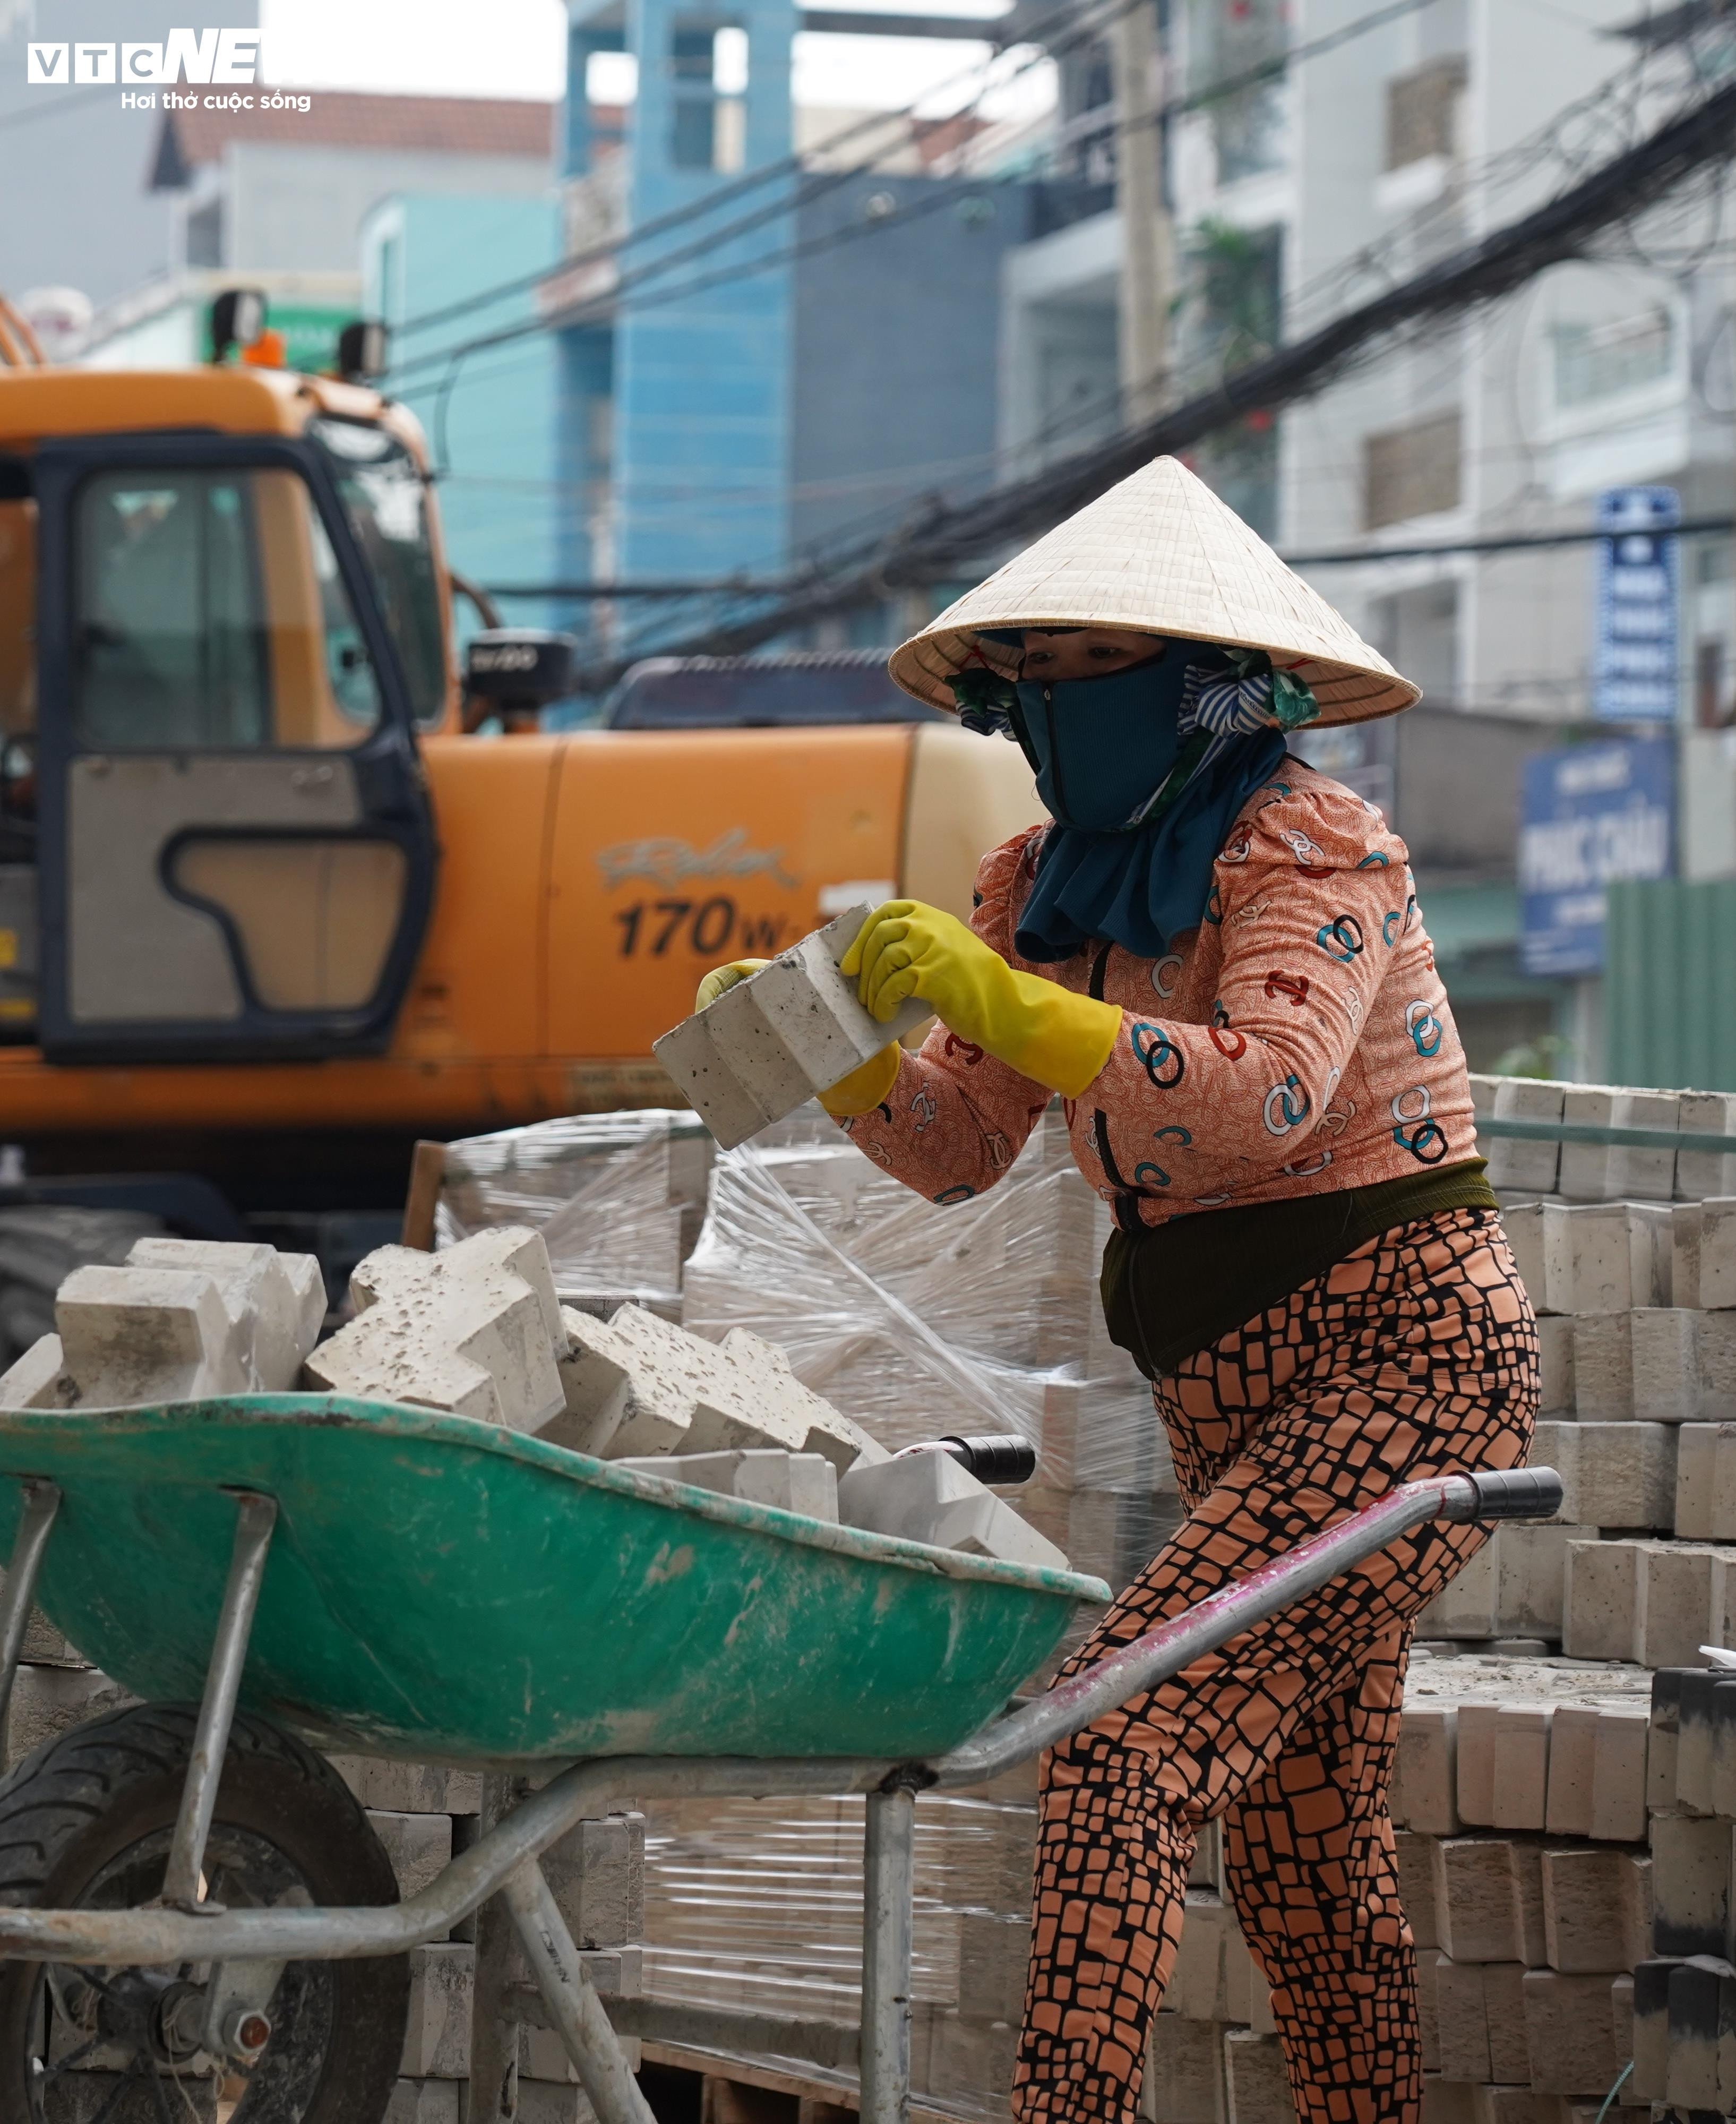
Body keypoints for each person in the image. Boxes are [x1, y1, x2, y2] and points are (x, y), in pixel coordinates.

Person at [697, 457, 1537, 2124]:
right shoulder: (1035, 886)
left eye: (1104, 672)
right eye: (1041, 679)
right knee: (1305, 1853)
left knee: (1120, 1744)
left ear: (1206, 685)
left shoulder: (1316, 842)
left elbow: (1264, 1093)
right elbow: (952, 1148)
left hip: (1407, 1362)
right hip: (1233, 1401)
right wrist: (828, 1048)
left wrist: (1016, 1017)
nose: (1063, 707)